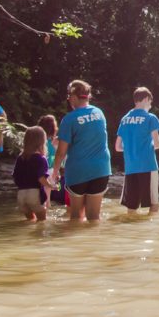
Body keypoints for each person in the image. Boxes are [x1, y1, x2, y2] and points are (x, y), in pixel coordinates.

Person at [51, 80, 111, 222]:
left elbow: (61, 152)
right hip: (100, 169)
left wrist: (54, 173)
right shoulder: (99, 113)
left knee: (76, 217)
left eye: (69, 97)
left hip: (78, 171)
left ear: (73, 96)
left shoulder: (69, 119)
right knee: (94, 218)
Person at [116, 87, 159, 215]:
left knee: (131, 207)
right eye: (150, 103)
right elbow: (157, 144)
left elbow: (117, 147)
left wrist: (132, 147)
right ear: (146, 99)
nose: (150, 106)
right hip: (148, 165)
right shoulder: (150, 118)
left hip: (130, 167)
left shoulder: (124, 119)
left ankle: (132, 230)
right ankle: (149, 230)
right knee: (154, 203)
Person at [12, 125, 53, 221]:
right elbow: (41, 178)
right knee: (42, 222)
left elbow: (15, 176)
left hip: (21, 195)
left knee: (30, 221)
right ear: (42, 141)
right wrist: (51, 186)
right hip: (34, 194)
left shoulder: (20, 158)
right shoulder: (41, 159)